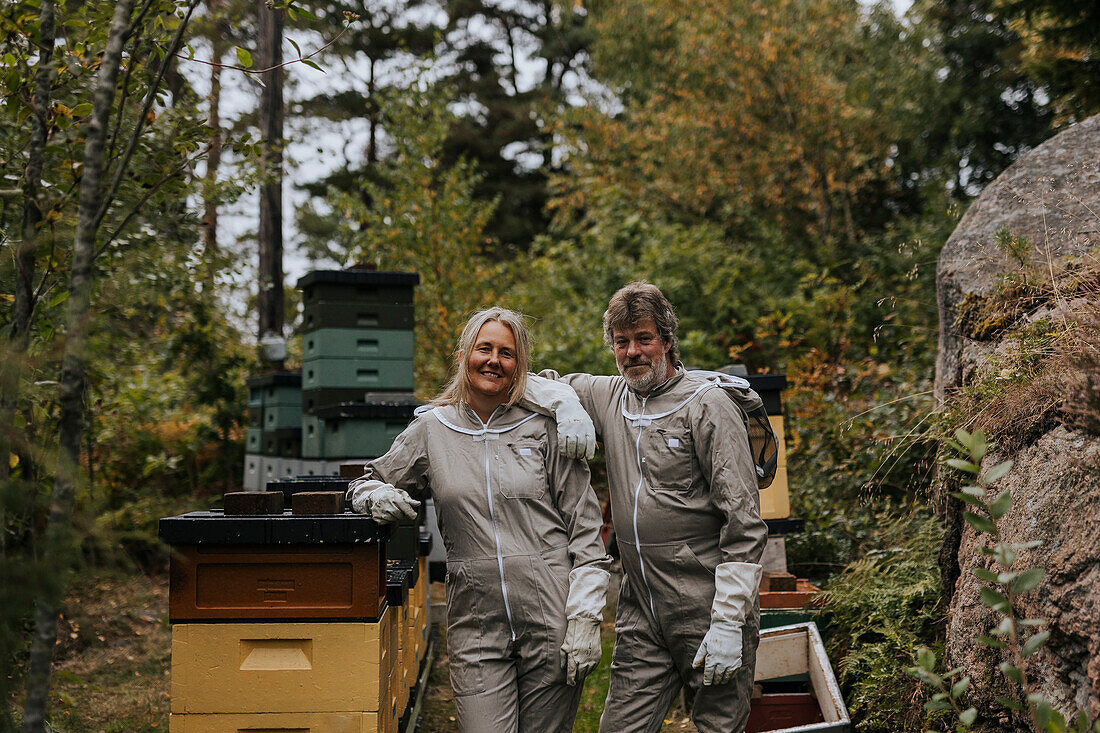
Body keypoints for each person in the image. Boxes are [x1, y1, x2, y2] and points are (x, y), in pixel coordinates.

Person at [346, 307, 611, 733]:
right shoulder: (431, 429)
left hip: (553, 618)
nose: (494, 360)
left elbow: (585, 533)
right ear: (464, 354)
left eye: (507, 353)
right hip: (476, 622)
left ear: (519, 364)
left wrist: (585, 617)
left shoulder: (545, 427)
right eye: (484, 348)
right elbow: (368, 480)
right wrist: (374, 494)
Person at [524, 282, 768, 732]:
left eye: (644, 338)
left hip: (709, 607)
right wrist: (564, 403)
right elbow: (532, 382)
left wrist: (730, 621)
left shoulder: (708, 405)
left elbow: (745, 523)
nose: (632, 351)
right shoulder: (610, 395)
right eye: (622, 342)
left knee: (718, 726)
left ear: (668, 340)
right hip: (641, 608)